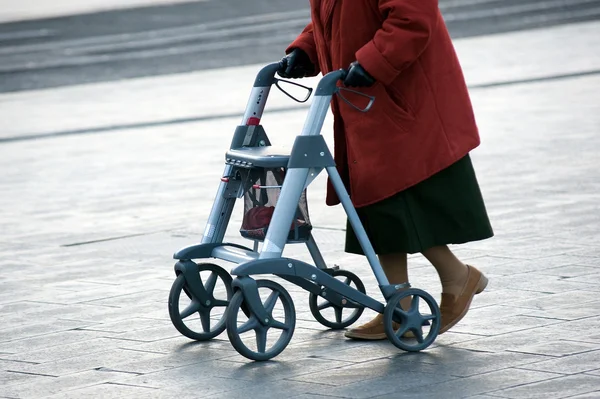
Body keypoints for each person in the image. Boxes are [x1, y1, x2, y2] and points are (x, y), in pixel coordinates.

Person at [278, 0, 494, 339]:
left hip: (403, 98)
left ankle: (456, 276)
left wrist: (374, 61)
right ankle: (400, 303)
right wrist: (306, 50)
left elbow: (412, 18)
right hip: (367, 102)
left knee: (403, 198)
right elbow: (331, 22)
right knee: (374, 202)